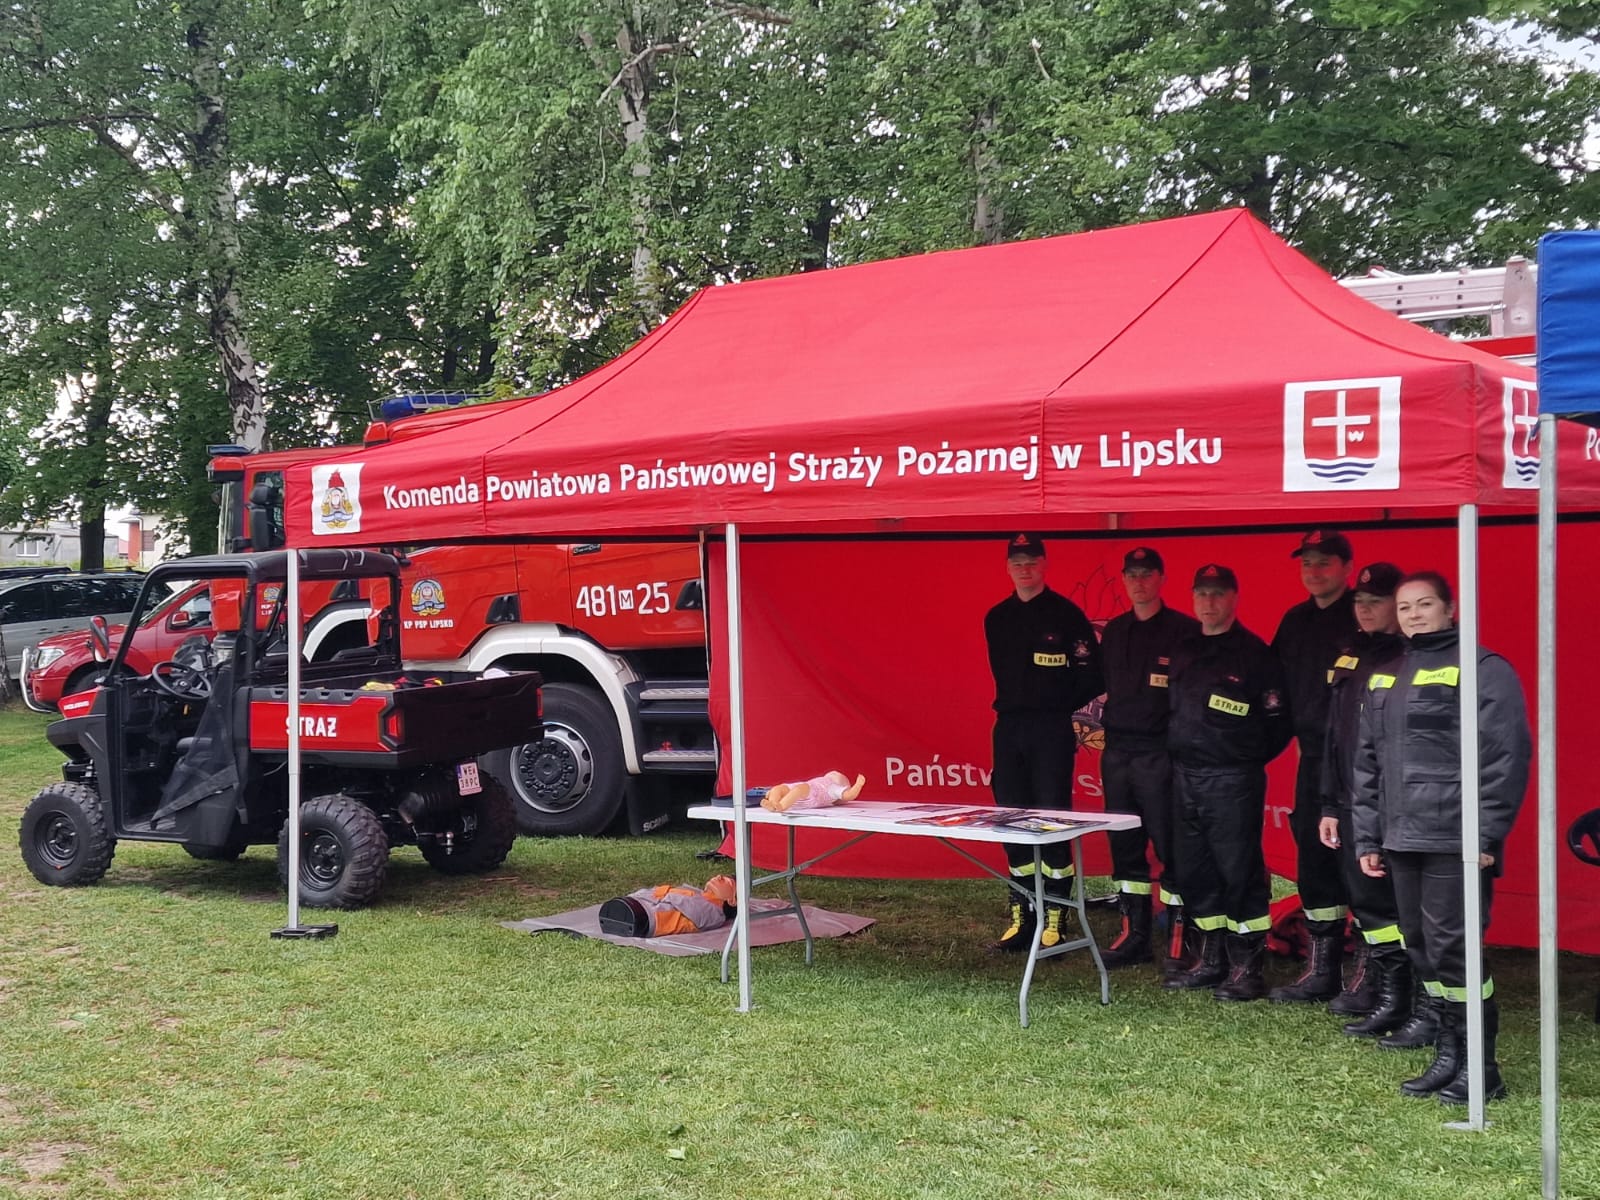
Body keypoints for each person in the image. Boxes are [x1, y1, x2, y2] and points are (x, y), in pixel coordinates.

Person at [1351, 571, 1531, 1103]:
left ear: (1450, 609)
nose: (1414, 615)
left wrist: (1486, 835)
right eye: (1405, 607)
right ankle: (1449, 1055)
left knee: (1456, 950)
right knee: (1422, 948)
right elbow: (1367, 766)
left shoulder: (1483, 668)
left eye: (1425, 604)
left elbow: (1505, 757)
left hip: (1456, 838)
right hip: (1401, 837)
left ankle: (1482, 1068)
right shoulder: (1387, 675)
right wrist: (1368, 839)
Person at [1164, 564, 1293, 1000]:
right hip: (1185, 777)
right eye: (1202, 594)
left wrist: (1239, 757)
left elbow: (1278, 725)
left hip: (1231, 780)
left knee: (1239, 872)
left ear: (1234, 598)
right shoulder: (1184, 649)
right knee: (1195, 871)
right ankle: (1210, 960)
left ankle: (1246, 968)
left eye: (1218, 594)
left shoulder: (1254, 655)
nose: (1209, 602)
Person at [984, 532, 1104, 952]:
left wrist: (1055, 704)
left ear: (1044, 564)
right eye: (1017, 562)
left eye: (1032, 562)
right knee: (1011, 817)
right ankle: (1023, 912)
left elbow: (1093, 675)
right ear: (1007, 567)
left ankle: (1056, 913)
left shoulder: (1066, 615)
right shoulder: (997, 617)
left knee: (1051, 818)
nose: (1025, 569)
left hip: (1051, 728)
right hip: (1009, 728)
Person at [1315, 563, 1410, 1035]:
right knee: (1367, 900)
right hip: (1353, 798)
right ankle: (1383, 991)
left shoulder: (1413, 658)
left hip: (1398, 802)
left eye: (1376, 602)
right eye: (1360, 602)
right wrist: (1330, 805)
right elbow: (1335, 736)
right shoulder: (1350, 654)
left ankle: (1409, 998)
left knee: (1399, 903)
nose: (1366, 610)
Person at [1097, 546, 1200, 969]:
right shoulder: (1115, 631)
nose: (1139, 582)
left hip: (1160, 755)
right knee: (1125, 847)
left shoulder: (1183, 630)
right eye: (1132, 575)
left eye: (1147, 574)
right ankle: (1134, 934)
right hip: (1117, 753)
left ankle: (1180, 935)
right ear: (1124, 580)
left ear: (1161, 578)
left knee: (1170, 845)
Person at [1269, 529, 1359, 1004]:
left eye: (1324, 562)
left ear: (1347, 567)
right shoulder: (1295, 620)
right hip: (1312, 761)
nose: (1314, 571)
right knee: (1314, 862)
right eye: (1307, 563)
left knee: (1362, 863)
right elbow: (1274, 690)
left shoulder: (1363, 616)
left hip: (1360, 765)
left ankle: (1369, 974)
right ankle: (1322, 969)